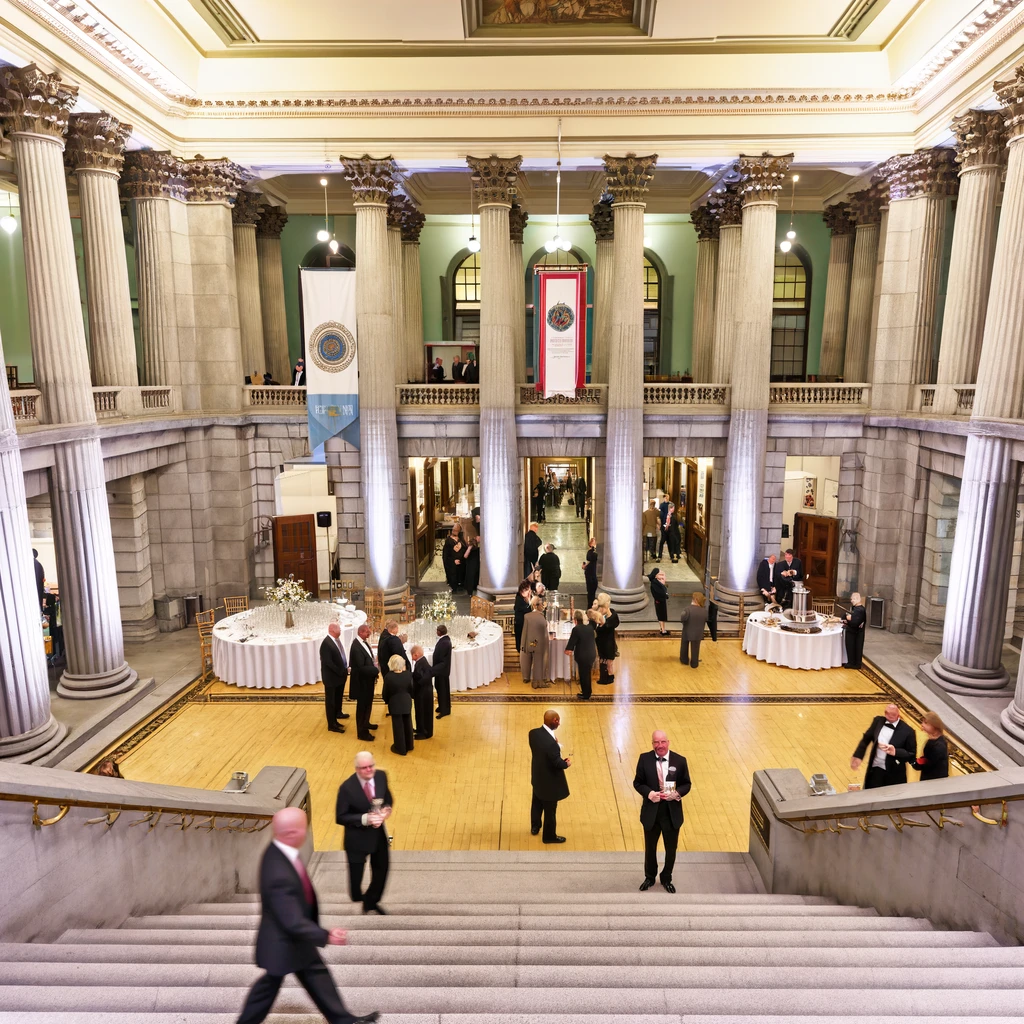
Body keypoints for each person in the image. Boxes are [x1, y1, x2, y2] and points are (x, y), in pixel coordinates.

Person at [236, 806, 379, 1024]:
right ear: (291, 833)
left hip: (294, 940)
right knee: (267, 989)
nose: (307, 831)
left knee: (316, 975)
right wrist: (325, 935)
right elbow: (291, 920)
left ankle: (343, 1020)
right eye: (303, 827)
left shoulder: (281, 852)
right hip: (283, 942)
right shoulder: (278, 871)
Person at [335, 752, 393, 917]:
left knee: (382, 870)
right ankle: (357, 899)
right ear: (357, 769)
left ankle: (371, 902)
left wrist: (386, 809)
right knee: (356, 877)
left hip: (378, 835)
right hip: (356, 839)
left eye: (371, 766)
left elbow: (387, 798)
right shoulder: (347, 788)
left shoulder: (381, 776)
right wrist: (365, 819)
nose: (369, 770)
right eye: (364, 768)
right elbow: (340, 816)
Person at [632, 730, 691, 894]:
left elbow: (687, 784)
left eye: (662, 742)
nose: (660, 746)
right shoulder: (644, 759)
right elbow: (638, 783)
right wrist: (649, 794)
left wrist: (677, 793)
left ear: (668, 742)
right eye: (656, 742)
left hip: (671, 813)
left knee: (671, 849)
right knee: (650, 848)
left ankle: (666, 878)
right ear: (652, 744)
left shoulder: (680, 761)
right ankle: (649, 877)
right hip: (652, 812)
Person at [528, 710, 571, 843]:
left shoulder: (533, 733)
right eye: (558, 720)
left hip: (537, 777)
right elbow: (557, 762)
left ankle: (535, 827)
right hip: (550, 783)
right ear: (555, 721)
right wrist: (566, 763)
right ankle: (549, 836)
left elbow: (543, 752)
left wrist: (555, 744)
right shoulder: (552, 745)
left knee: (536, 802)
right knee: (550, 811)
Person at [851, 703, 917, 789]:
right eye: (888, 713)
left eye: (893, 714)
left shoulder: (908, 731)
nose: (890, 716)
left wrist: (895, 752)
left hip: (894, 775)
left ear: (898, 714)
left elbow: (911, 755)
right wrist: (858, 755)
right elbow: (866, 739)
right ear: (885, 713)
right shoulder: (878, 721)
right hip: (875, 769)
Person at [349, 624, 380, 742]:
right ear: (361, 632)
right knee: (362, 707)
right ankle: (362, 732)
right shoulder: (356, 647)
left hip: (368, 681)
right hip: (362, 683)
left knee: (368, 704)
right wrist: (375, 670)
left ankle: (366, 723)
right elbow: (361, 668)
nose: (369, 633)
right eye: (367, 632)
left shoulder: (364, 642)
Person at [320, 623, 350, 733]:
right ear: (332, 630)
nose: (341, 630)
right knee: (331, 702)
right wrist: (341, 671)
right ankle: (331, 724)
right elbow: (328, 662)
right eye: (339, 629)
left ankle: (338, 714)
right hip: (331, 678)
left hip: (339, 676)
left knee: (338, 697)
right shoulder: (326, 644)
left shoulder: (335, 640)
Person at [381, 654, 414, 756]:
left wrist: (387, 700)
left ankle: (400, 748)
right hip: (407, 701)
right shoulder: (408, 674)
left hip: (395, 703)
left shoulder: (388, 677)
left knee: (398, 725)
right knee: (408, 723)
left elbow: (385, 692)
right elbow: (411, 689)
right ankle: (409, 745)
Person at [565, 608, 597, 700]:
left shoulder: (576, 629)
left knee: (584, 675)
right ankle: (587, 691)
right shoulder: (590, 627)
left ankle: (586, 694)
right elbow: (593, 621)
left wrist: (568, 649)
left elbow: (572, 642)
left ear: (575, 620)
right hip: (591, 654)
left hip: (582, 656)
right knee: (587, 674)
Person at [520, 597, 550, 689]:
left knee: (526, 658)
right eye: (541, 604)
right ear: (536, 605)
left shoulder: (527, 616)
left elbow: (524, 631)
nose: (543, 606)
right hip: (539, 643)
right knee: (539, 661)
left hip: (530, 642)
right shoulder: (541, 617)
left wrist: (523, 644)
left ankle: (526, 677)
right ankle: (538, 682)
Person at [910, 712, 949, 781]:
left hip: (934, 782)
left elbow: (928, 764)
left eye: (926, 723)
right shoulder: (932, 739)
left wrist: (912, 761)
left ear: (934, 725)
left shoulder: (939, 746)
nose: (922, 725)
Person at [594, 593, 619, 685]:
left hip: (608, 641)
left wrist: (602, 625)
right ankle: (605, 677)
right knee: (603, 660)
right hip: (601, 641)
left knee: (608, 661)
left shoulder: (611, 614)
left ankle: (608, 677)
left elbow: (609, 625)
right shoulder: (599, 612)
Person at [411, 645, 434, 740]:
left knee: (421, 712)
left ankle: (423, 733)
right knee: (424, 712)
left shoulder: (420, 664)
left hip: (422, 693)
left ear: (416, 654)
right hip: (426, 692)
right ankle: (422, 729)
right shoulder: (423, 662)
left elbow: (422, 678)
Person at [679, 592, 708, 668]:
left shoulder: (687, 609)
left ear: (695, 600)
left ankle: (684, 660)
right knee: (695, 648)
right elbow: (706, 619)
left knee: (684, 645)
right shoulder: (704, 611)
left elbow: (683, 619)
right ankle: (694, 663)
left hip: (687, 631)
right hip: (698, 633)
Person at [433, 624, 453, 718]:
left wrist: (435, 669)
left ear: (439, 632)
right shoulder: (444, 640)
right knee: (440, 689)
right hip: (440, 670)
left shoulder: (444, 642)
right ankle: (442, 706)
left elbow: (441, 658)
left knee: (443, 690)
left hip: (441, 671)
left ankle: (445, 710)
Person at [844, 592, 867, 668]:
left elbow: (854, 622)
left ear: (857, 599)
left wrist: (848, 618)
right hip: (853, 632)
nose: (851, 601)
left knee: (855, 648)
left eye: (853, 599)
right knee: (851, 647)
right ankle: (852, 662)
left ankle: (854, 664)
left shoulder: (860, 610)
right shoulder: (856, 608)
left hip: (856, 633)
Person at [442, 528, 465, 593]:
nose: (455, 532)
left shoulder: (461, 539)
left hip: (461, 561)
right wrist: (453, 561)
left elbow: (464, 549)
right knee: (453, 575)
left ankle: (460, 586)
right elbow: (446, 554)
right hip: (452, 562)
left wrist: (461, 559)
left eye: (456, 530)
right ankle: (454, 588)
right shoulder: (448, 541)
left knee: (460, 574)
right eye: (454, 530)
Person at [514, 579, 533, 653]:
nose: (528, 591)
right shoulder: (520, 600)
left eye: (528, 589)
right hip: (521, 626)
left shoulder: (526, 598)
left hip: (526, 628)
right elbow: (529, 611)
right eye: (525, 589)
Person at [648, 567, 669, 635]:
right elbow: (660, 592)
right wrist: (665, 594)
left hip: (661, 600)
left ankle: (662, 629)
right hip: (659, 601)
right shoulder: (654, 583)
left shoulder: (656, 581)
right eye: (659, 574)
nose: (661, 575)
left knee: (662, 615)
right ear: (656, 575)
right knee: (661, 616)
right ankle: (663, 630)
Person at [583, 537, 598, 609]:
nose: (594, 543)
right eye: (593, 542)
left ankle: (590, 606)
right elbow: (590, 559)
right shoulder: (591, 552)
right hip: (590, 574)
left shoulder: (592, 552)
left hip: (591, 573)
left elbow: (590, 561)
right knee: (591, 591)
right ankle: (590, 607)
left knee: (591, 591)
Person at [657, 496, 670, 561]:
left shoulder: (663, 505)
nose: (667, 499)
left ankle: (660, 555)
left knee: (664, 540)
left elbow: (660, 515)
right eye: (666, 498)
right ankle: (671, 555)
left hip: (666, 524)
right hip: (666, 524)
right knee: (666, 540)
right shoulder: (666, 505)